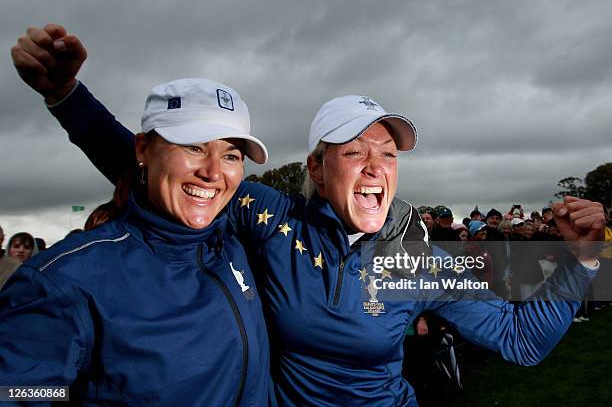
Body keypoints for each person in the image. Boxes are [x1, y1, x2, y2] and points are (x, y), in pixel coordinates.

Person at [11, 24, 606, 407]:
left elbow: (522, 341)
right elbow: (173, 173)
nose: (375, 167)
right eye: (354, 153)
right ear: (318, 170)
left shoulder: (416, 261)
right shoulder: (272, 221)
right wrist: (69, 100)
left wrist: (581, 260)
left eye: (387, 153)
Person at [0, 78, 273, 406]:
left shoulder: (232, 238)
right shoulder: (65, 281)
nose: (213, 172)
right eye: (194, 147)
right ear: (142, 149)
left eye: (231, 155)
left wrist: (67, 96)